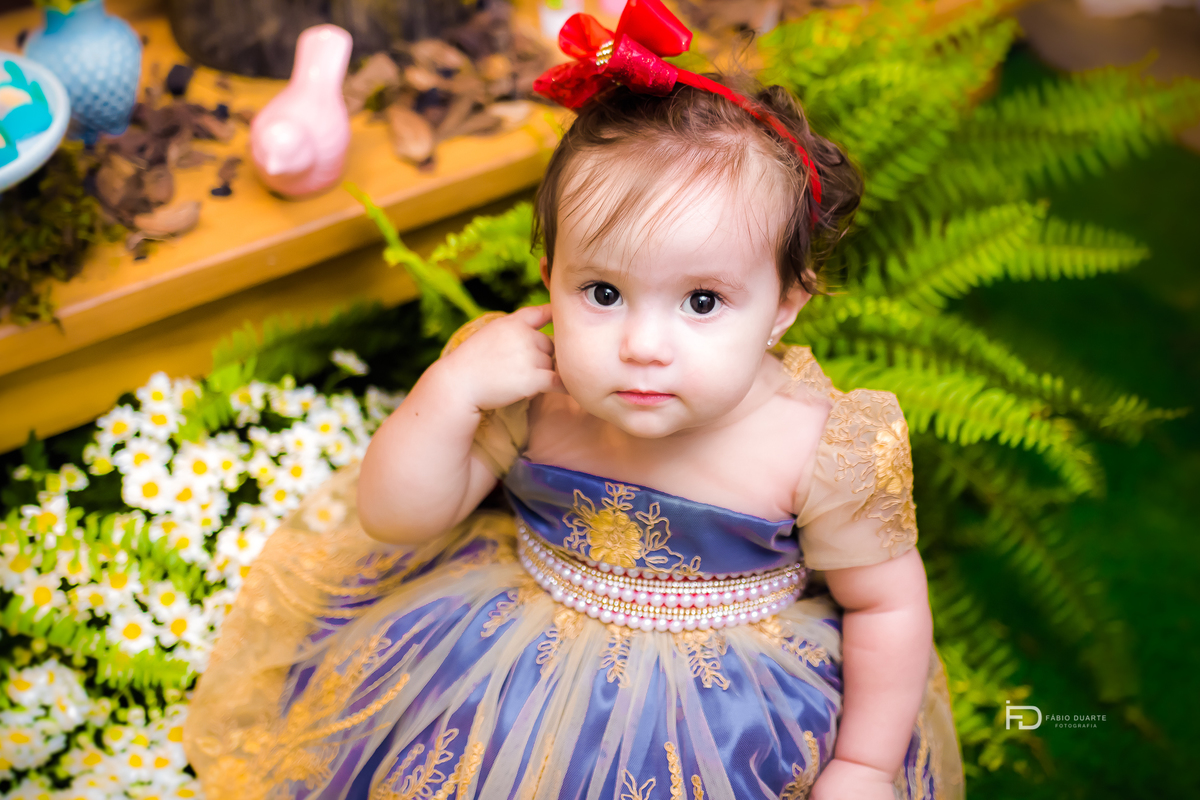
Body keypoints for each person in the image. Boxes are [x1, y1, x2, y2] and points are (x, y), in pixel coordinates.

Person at [184, 3, 964, 798]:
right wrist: (450, 391)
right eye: (603, 292)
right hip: (501, 683)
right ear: (550, 277)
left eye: (702, 301)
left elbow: (886, 610)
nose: (643, 345)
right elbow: (396, 516)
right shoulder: (532, 392)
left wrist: (864, 764)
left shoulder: (817, 444)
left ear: (785, 307)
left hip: (726, 718)